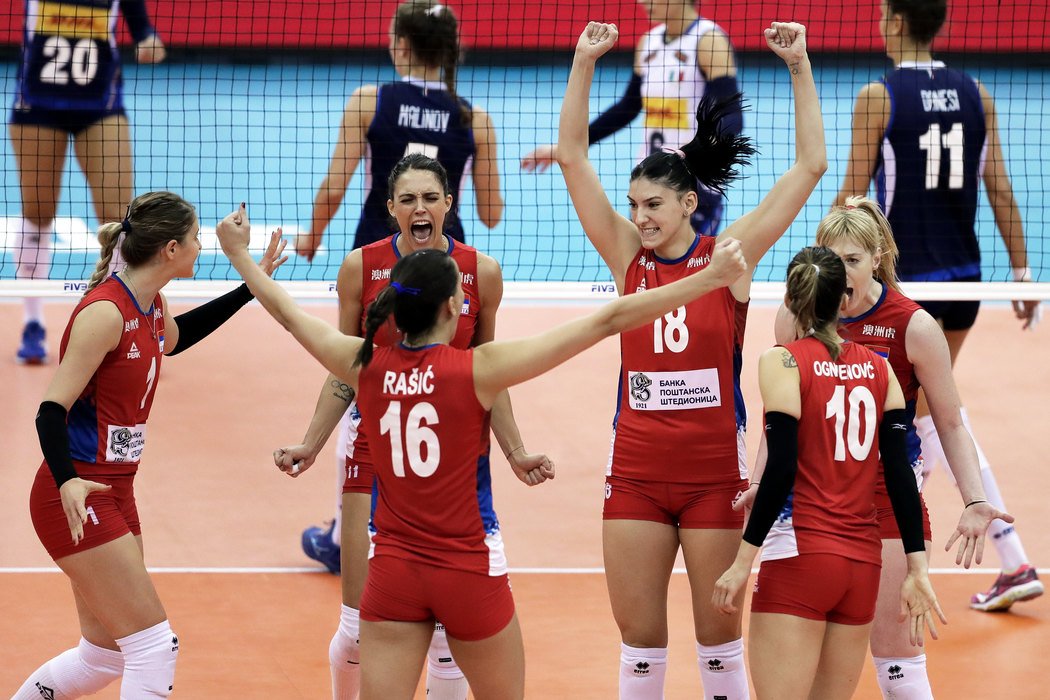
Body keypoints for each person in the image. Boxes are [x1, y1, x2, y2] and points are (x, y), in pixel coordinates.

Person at [216, 203, 748, 700]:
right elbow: (608, 320)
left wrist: (240, 255)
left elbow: (287, 314)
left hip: (394, 571)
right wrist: (708, 280)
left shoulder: (363, 366)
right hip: (467, 569)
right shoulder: (478, 371)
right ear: (453, 307)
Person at [556, 20, 826, 699]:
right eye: (634, 206)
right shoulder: (628, 260)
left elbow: (809, 169)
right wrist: (585, 61)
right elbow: (571, 158)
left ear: (688, 202)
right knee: (640, 646)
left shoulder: (727, 258)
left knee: (719, 649)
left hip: (713, 479)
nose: (641, 217)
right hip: (638, 475)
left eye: (653, 205)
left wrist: (799, 69)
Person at [276, 153, 544, 700]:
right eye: (407, 199)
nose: (419, 208)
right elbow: (345, 373)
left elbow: (490, 375)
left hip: (450, 453)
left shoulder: (480, 273)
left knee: (450, 636)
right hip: (371, 445)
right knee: (356, 626)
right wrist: (312, 440)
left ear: (448, 203)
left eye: (429, 198)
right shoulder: (362, 267)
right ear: (390, 207)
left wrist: (514, 452)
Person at [737, 197, 1014, 698]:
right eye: (831, 258)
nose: (841, 274)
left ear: (880, 255)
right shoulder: (796, 316)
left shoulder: (914, 326)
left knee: (897, 658)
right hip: (813, 505)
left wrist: (974, 499)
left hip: (886, 503)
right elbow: (777, 419)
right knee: (804, 664)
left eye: (853, 261)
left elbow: (949, 423)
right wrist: (761, 484)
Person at [14, 192, 286, 699]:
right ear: (169, 249)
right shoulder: (106, 313)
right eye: (196, 238)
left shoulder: (151, 305)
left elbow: (180, 336)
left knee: (104, 655)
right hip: (74, 492)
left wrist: (252, 282)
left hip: (117, 489)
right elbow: (51, 408)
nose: (201, 246)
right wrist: (68, 481)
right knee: (154, 646)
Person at [834, 0, 1042, 612]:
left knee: (924, 416)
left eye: (881, 15)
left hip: (904, 289)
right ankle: (930, 549)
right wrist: (1023, 274)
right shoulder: (978, 91)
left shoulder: (879, 95)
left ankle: (999, 554)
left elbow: (852, 194)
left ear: (896, 22)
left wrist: (829, 274)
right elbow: (999, 183)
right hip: (965, 285)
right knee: (924, 412)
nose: (877, 24)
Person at [712, 246, 946, 700]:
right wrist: (917, 566)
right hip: (861, 564)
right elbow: (900, 474)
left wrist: (743, 561)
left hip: (800, 555)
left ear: (791, 299)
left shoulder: (782, 361)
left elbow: (780, 466)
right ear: (843, 301)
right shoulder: (881, 369)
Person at [10, 0, 167, 364]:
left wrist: (147, 39)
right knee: (38, 212)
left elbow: (141, 26)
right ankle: (33, 320)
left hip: (100, 105)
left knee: (120, 217)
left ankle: (119, 321)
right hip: (38, 103)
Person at [296, 0, 502, 259]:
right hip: (444, 264)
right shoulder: (476, 121)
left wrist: (312, 237)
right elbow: (491, 216)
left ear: (402, 45)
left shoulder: (369, 102)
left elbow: (333, 191)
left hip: (375, 259)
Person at [522, 0, 742, 237]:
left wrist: (693, 156)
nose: (642, 2)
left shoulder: (708, 41)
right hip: (649, 179)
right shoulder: (649, 42)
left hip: (691, 183)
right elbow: (627, 107)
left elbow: (731, 117)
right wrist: (570, 146)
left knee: (687, 267)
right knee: (644, 265)